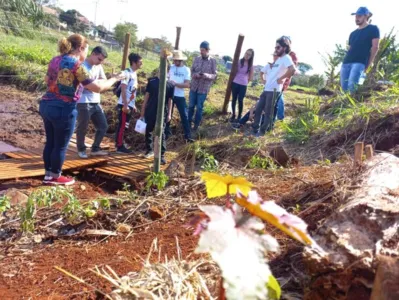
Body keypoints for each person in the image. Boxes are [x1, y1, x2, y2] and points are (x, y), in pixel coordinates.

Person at [40, 34, 125, 185]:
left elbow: (47, 80)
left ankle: (48, 174)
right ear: (81, 48)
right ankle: (55, 176)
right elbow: (97, 87)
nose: (86, 54)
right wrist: (115, 78)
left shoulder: (55, 60)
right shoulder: (77, 65)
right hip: (64, 108)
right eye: (86, 50)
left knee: (51, 142)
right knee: (60, 145)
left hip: (47, 104)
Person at [251, 37, 296, 137]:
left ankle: (262, 132)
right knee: (258, 109)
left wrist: (282, 78)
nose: (275, 49)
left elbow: (292, 70)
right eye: (275, 47)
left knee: (268, 112)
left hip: (274, 90)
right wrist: (264, 80)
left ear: (284, 47)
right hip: (267, 89)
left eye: (278, 47)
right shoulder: (279, 59)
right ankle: (255, 129)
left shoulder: (286, 58)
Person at [76, 46, 109, 159]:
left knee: (103, 126)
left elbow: (103, 81)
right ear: (93, 54)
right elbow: (88, 86)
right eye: (99, 59)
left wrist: (94, 84)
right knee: (82, 127)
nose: (100, 62)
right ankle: (81, 149)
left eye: (102, 60)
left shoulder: (98, 66)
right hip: (83, 101)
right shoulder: (82, 66)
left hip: (96, 101)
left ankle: (95, 148)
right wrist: (95, 84)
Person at [340, 7, 380, 93]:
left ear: (366, 16)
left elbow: (375, 47)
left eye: (359, 16)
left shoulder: (373, 29)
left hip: (359, 63)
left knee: (352, 88)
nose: (356, 18)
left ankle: (351, 105)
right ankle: (342, 106)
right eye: (356, 16)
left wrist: (368, 65)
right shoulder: (353, 33)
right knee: (343, 90)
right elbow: (350, 49)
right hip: (346, 63)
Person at [140, 68, 174, 164]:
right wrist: (143, 109)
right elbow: (146, 96)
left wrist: (170, 113)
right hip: (150, 109)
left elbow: (170, 100)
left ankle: (161, 155)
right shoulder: (152, 82)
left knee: (161, 132)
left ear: (168, 71)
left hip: (163, 112)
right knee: (149, 129)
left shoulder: (171, 84)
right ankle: (149, 150)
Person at [115, 53, 143, 153]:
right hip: (124, 104)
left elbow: (132, 91)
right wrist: (126, 105)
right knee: (122, 125)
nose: (142, 64)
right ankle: (119, 146)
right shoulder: (126, 73)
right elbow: (123, 89)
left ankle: (121, 143)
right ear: (134, 62)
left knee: (125, 125)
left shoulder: (134, 74)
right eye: (140, 62)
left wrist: (133, 104)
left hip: (129, 104)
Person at [189, 41, 217, 131]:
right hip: (194, 86)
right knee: (191, 106)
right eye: (200, 50)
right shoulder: (196, 59)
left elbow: (214, 75)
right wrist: (195, 74)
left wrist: (207, 75)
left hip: (203, 89)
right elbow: (192, 70)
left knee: (199, 108)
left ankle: (196, 126)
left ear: (207, 50)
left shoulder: (213, 61)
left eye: (203, 50)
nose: (201, 52)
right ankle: (187, 124)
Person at [167, 50, 193, 142]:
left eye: (176, 60)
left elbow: (187, 85)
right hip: (169, 94)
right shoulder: (171, 68)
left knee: (184, 115)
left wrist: (175, 84)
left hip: (179, 95)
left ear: (180, 60)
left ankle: (188, 136)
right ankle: (166, 133)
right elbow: (166, 78)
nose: (174, 62)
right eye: (174, 60)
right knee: (167, 114)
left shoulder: (186, 70)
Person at [230, 49, 255, 122]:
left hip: (243, 85)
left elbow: (250, 77)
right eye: (246, 53)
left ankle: (239, 116)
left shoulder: (251, 66)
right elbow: (234, 71)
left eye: (249, 54)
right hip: (235, 83)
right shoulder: (239, 62)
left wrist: (245, 81)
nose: (247, 55)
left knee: (240, 100)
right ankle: (233, 114)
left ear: (251, 56)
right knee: (234, 99)